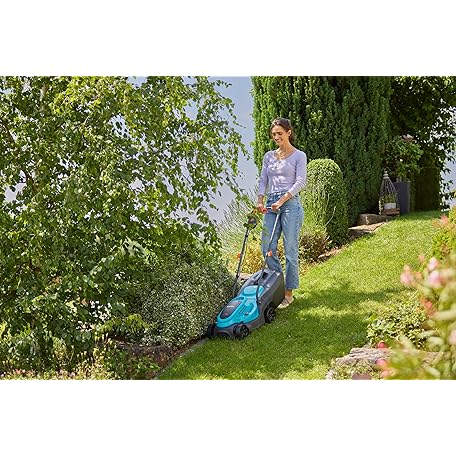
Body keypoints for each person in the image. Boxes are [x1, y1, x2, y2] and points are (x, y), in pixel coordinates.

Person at [257, 118, 307, 309]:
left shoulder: (299, 156)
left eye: (280, 133)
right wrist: (260, 200)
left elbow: (300, 181)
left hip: (290, 204)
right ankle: (278, 285)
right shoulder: (269, 156)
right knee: (267, 247)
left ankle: (288, 293)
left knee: (290, 250)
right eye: (274, 134)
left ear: (288, 133)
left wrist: (283, 200)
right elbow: (263, 180)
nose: (276, 137)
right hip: (271, 203)